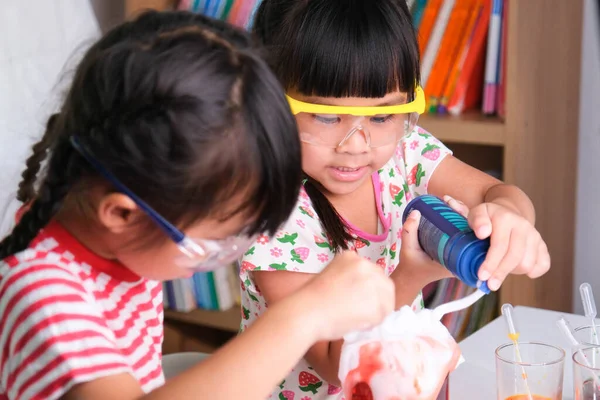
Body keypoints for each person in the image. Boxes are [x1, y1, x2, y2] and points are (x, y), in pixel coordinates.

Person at [0, 10, 396, 400]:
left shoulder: (116, 234)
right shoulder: (45, 295)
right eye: (208, 248)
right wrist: (302, 316)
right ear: (121, 213)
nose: (219, 259)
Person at [239, 0, 551, 398]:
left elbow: (498, 193)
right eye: (328, 117)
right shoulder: (272, 210)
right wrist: (411, 277)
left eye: (383, 116)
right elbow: (337, 365)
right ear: (271, 104)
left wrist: (508, 216)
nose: (356, 145)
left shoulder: (403, 153)